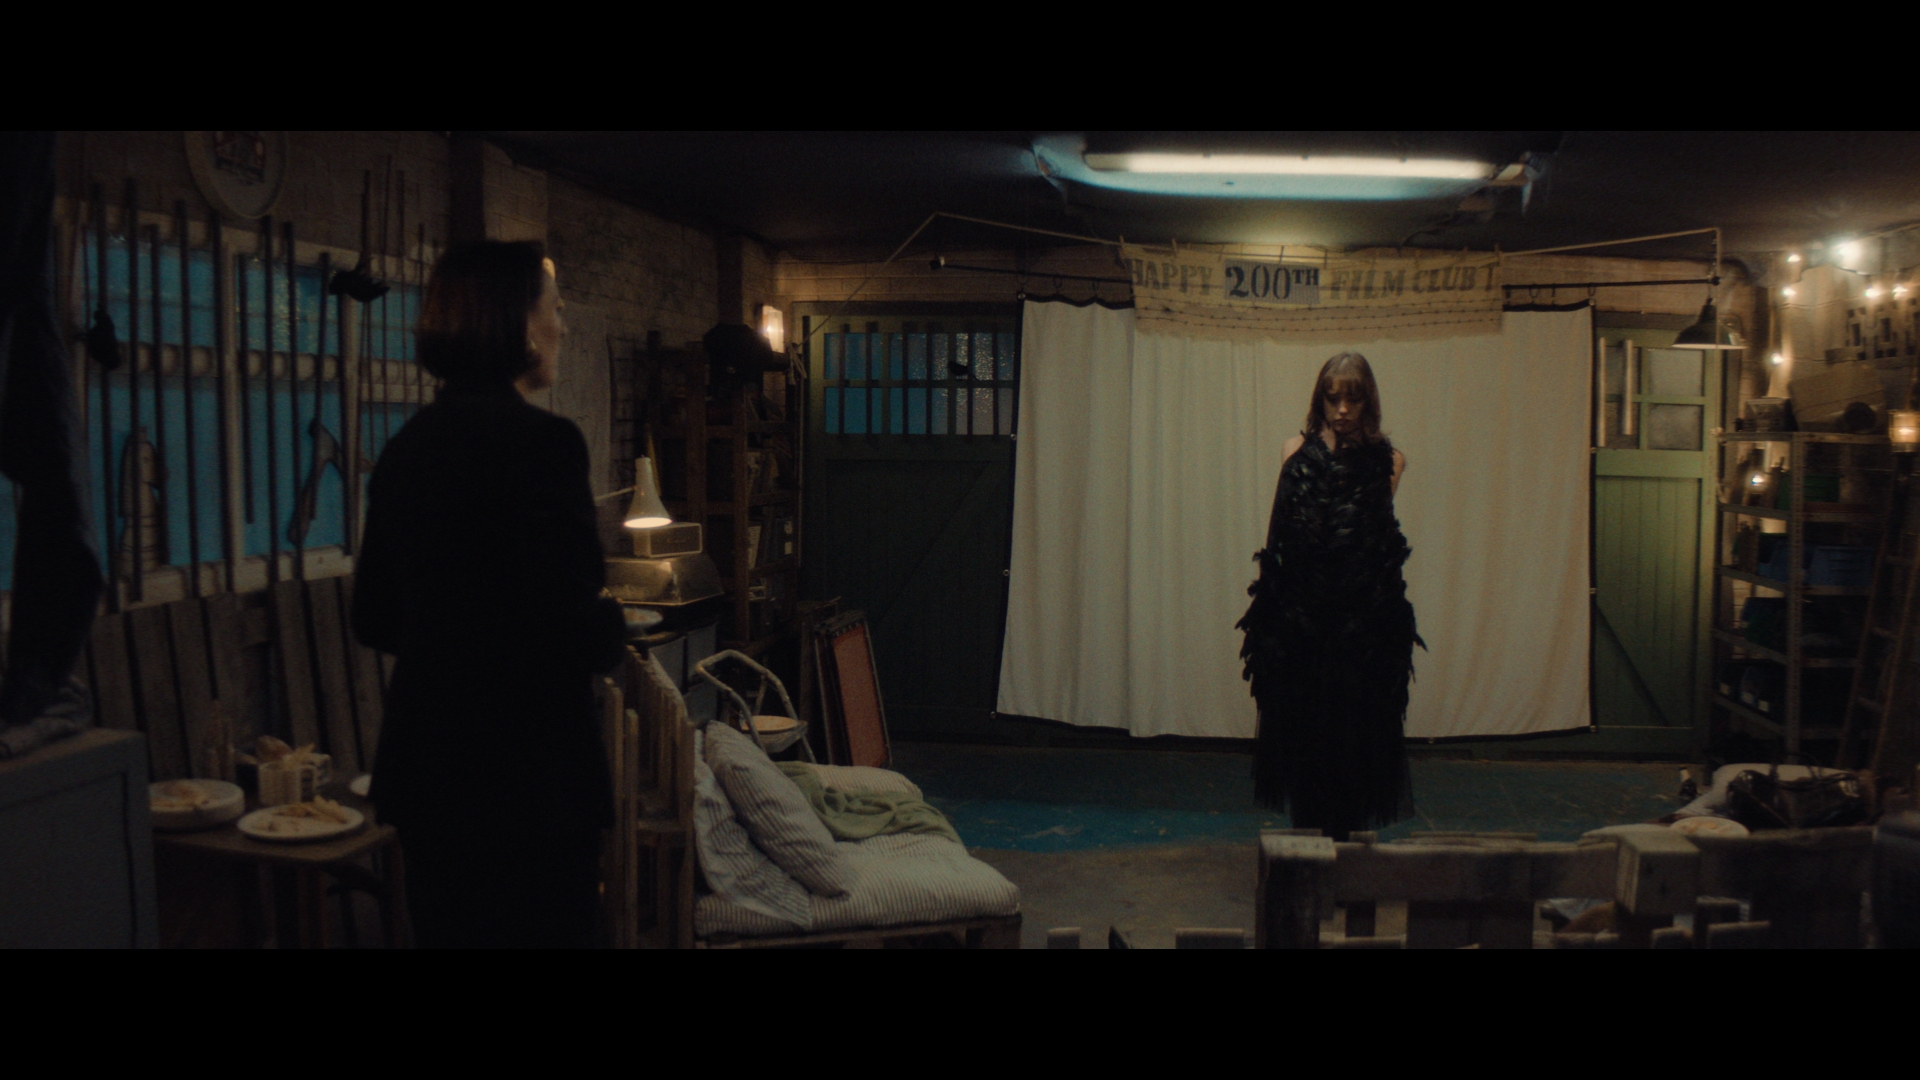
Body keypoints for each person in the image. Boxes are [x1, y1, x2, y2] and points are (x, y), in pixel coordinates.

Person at [352, 240, 627, 948]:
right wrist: (613, 622)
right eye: (554, 308)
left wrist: (456, 636)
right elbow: (572, 629)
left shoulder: (405, 449)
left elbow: (374, 617)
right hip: (530, 781)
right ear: (519, 322)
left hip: (430, 776)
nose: (561, 325)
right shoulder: (545, 444)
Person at [1236, 352, 1422, 840]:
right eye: (1333, 397)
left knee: (1355, 743)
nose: (1342, 409)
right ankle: (1308, 855)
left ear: (1368, 401)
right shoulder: (1294, 451)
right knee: (1305, 740)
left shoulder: (1389, 462)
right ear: (1319, 398)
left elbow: (1376, 550)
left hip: (1362, 628)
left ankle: (1346, 854)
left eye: (1353, 399)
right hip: (1301, 623)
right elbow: (1279, 540)